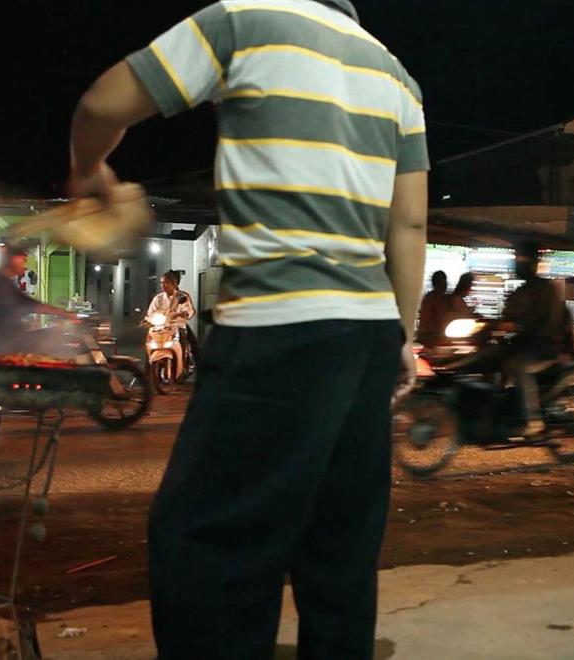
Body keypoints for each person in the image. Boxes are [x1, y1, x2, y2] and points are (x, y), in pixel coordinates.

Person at [66, 1, 428, 656]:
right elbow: (408, 225)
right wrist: (404, 336)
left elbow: (101, 104)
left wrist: (88, 170)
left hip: (277, 326)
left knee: (209, 549)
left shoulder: (242, 20)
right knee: (339, 554)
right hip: (369, 333)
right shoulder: (397, 74)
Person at [501, 242, 574, 437]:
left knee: (519, 367)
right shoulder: (525, 289)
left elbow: (542, 320)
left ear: (533, 263)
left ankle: (534, 420)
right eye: (517, 259)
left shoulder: (544, 290)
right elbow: (508, 312)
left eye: (522, 259)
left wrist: (518, 326)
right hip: (525, 345)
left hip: (544, 348)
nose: (519, 263)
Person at [0, 245, 77, 354]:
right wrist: (64, 314)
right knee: (52, 336)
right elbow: (29, 304)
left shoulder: (1, 280)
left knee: (51, 334)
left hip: (1, 341)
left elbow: (24, 304)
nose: (24, 264)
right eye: (24, 260)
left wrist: (63, 314)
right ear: (14, 259)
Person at [147, 270, 199, 367]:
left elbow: (189, 310)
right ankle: (148, 369)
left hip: (177, 326)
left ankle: (186, 363)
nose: (163, 285)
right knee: (149, 343)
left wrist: (185, 313)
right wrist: (148, 319)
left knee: (191, 343)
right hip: (160, 328)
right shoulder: (158, 298)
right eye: (161, 283)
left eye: (166, 283)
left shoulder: (182, 296)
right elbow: (151, 312)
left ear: (174, 284)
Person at [416, 271, 449, 348]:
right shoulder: (437, 298)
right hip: (432, 336)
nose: (446, 284)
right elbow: (439, 318)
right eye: (444, 281)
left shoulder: (429, 297)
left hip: (425, 335)